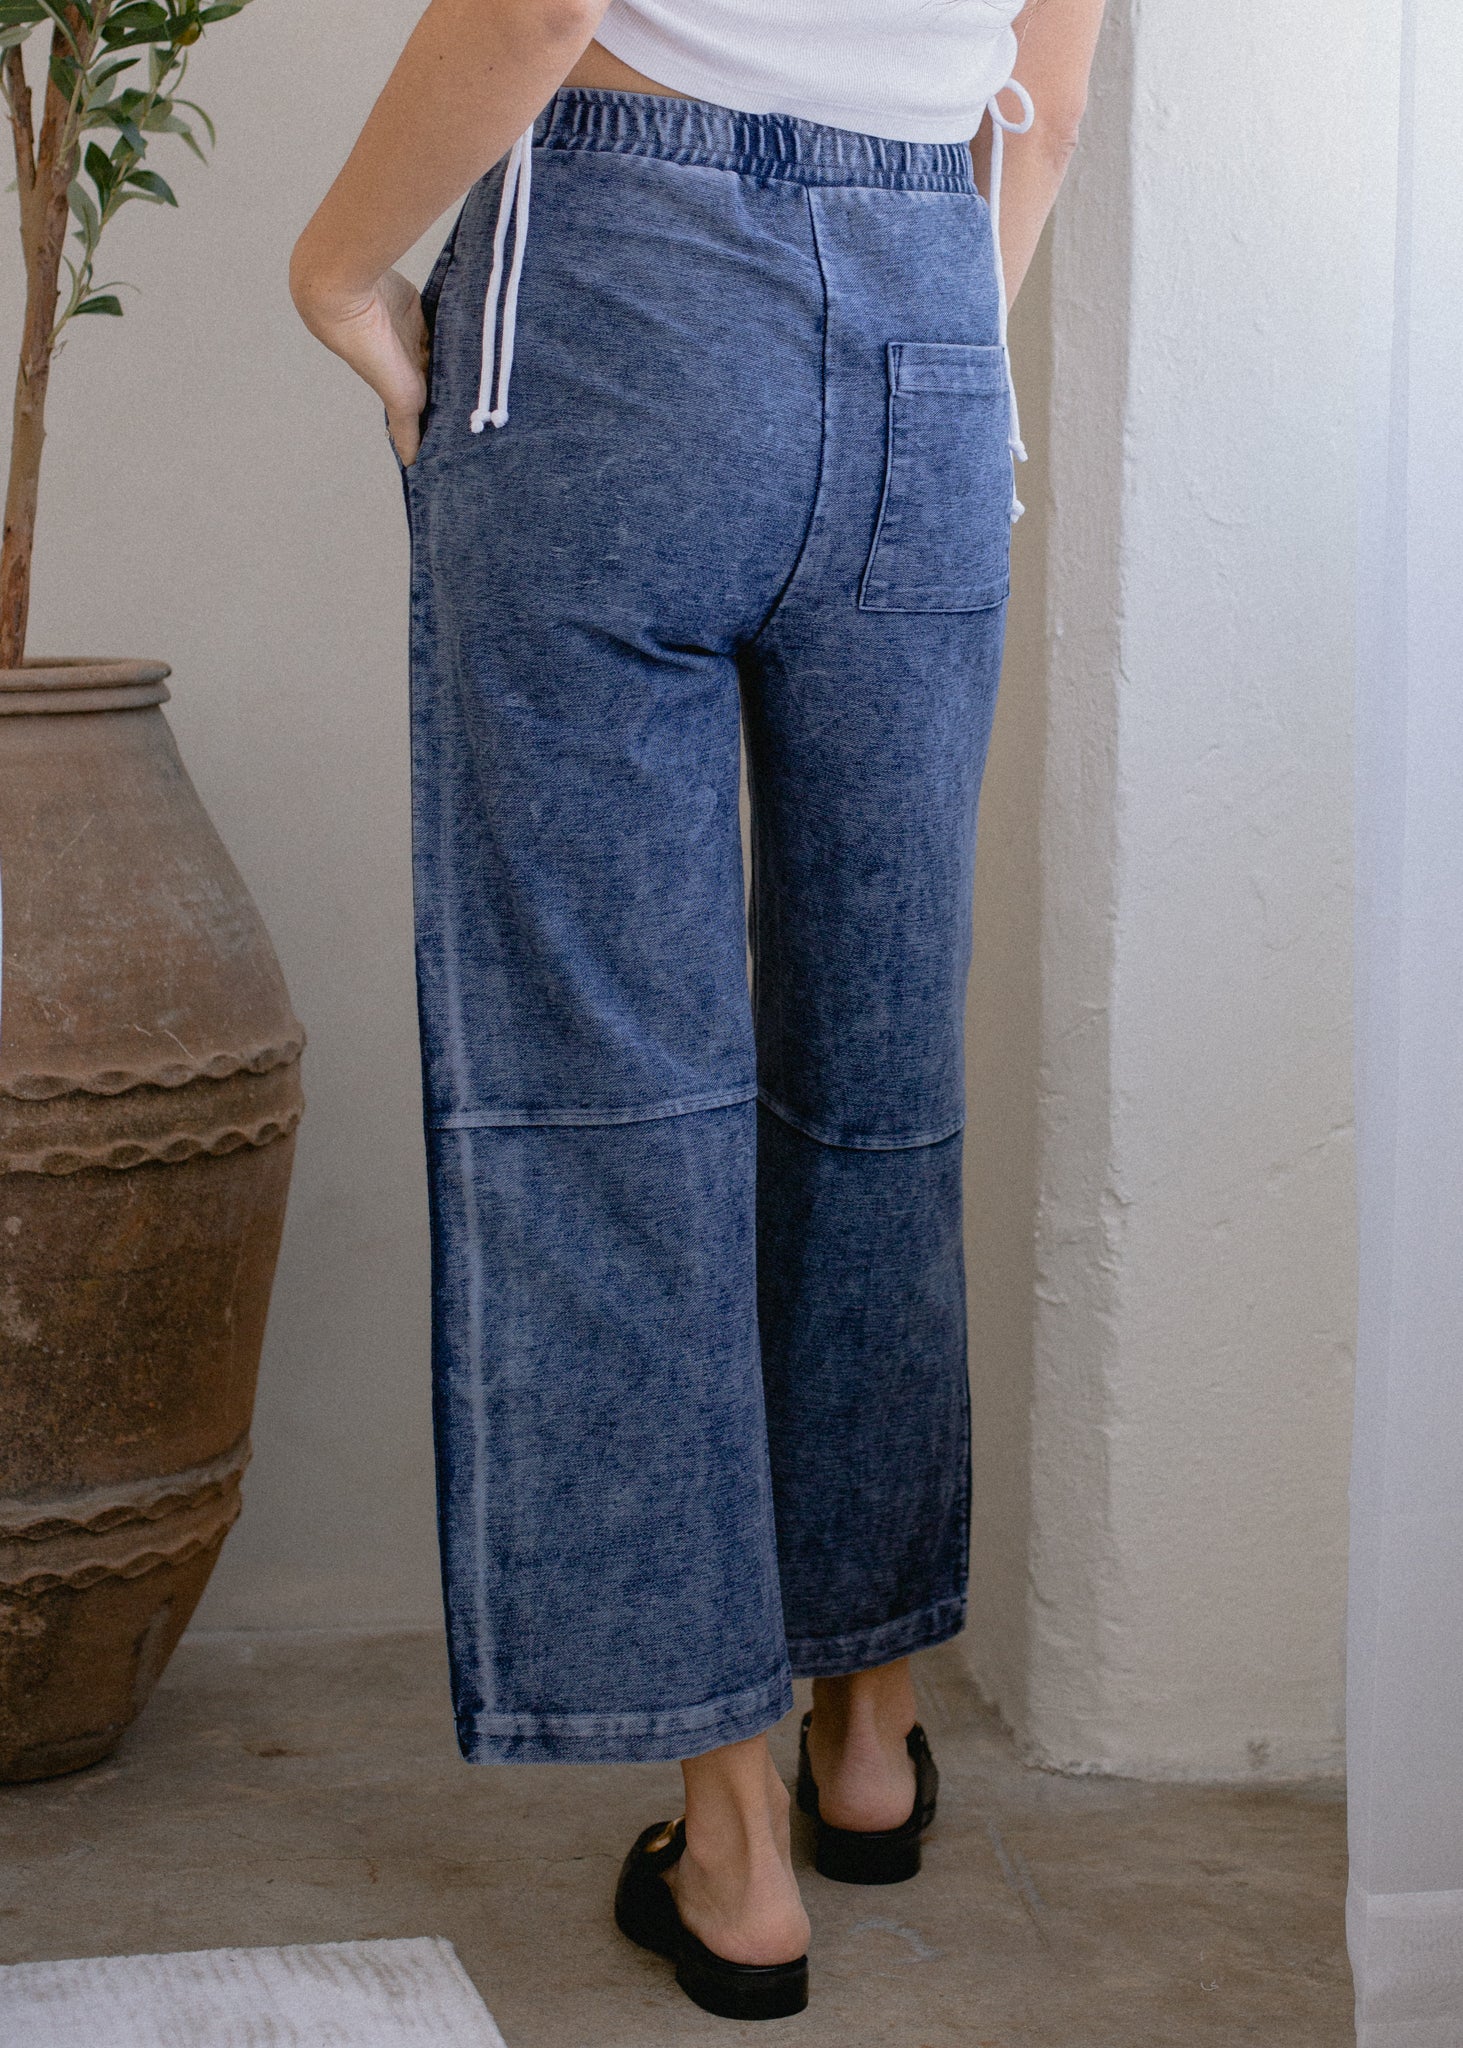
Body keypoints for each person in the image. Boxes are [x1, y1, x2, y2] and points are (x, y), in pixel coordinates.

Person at [291, 0, 1106, 2021]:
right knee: (882, 1067)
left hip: (622, 272)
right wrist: (909, 331)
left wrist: (331, 265)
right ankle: (870, 1728)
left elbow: (529, 6)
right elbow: (1053, 99)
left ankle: (734, 1846)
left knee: (611, 1090)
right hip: (936, 288)